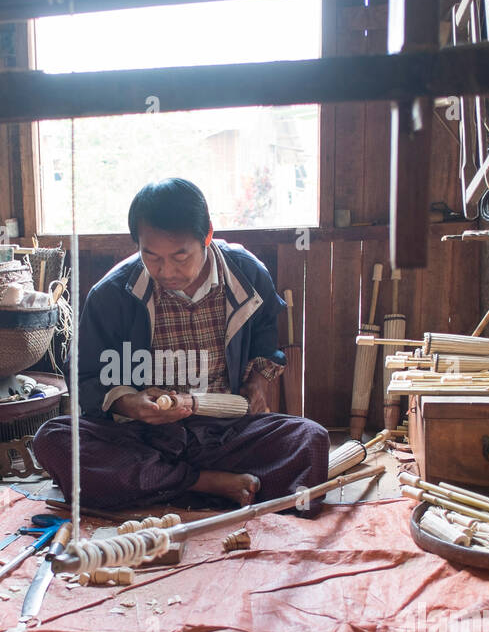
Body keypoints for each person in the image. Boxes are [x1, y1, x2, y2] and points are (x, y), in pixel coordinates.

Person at [32, 178, 329, 509]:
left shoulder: (246, 275)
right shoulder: (113, 294)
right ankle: (206, 483)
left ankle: (159, 485)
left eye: (180, 255)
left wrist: (257, 383)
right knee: (53, 440)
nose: (166, 270)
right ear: (138, 245)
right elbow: (85, 376)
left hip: (224, 433)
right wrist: (128, 403)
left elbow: (265, 339)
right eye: (151, 256)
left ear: (208, 235)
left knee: (311, 439)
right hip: (144, 438)